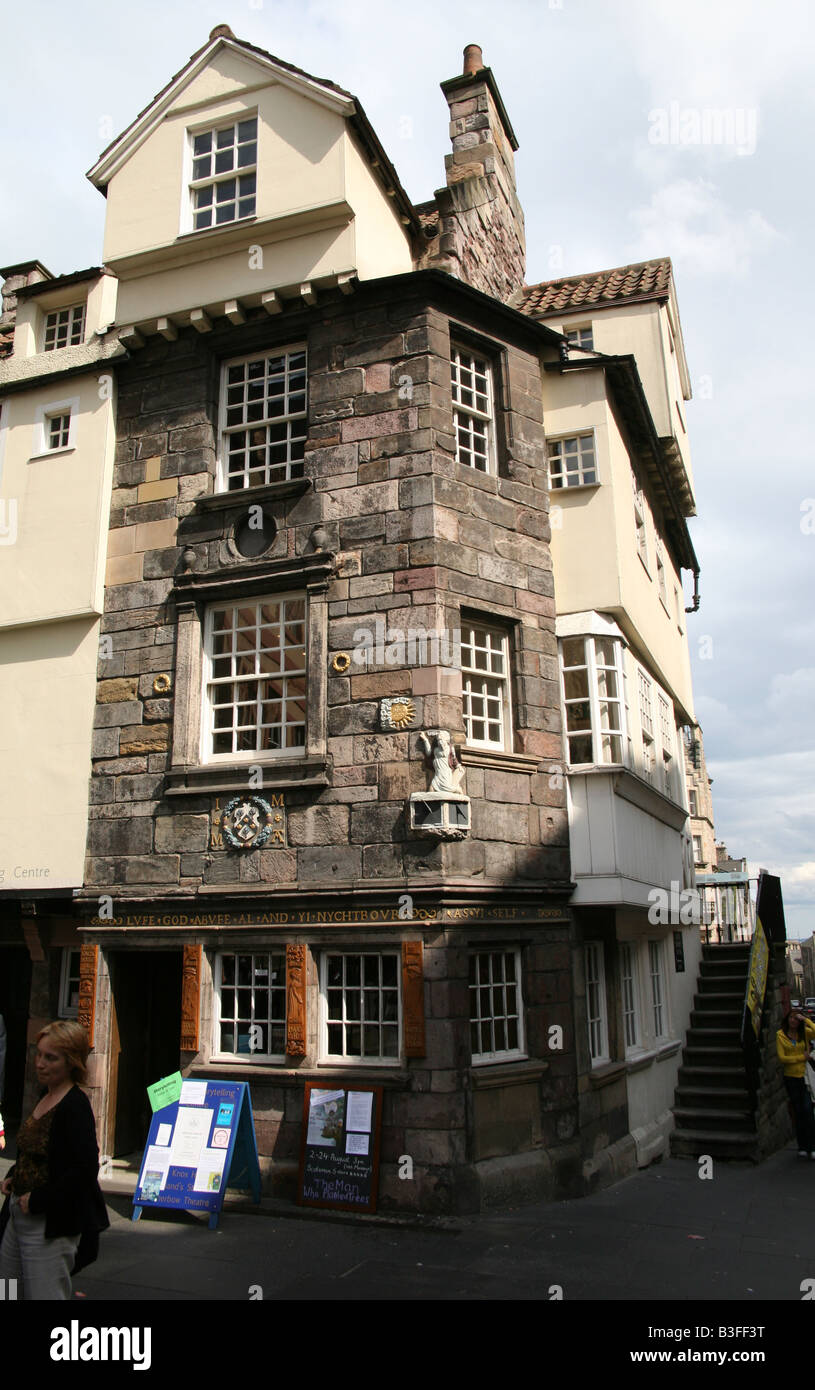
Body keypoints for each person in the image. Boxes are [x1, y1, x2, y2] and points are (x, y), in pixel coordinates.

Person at [0, 1021, 109, 1299]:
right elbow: (35, 1151)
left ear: (71, 1062)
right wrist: (15, 1175)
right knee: (7, 1291)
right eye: (39, 1054)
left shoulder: (75, 1105)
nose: (40, 1064)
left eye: (51, 1057)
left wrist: (39, 1199)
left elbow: (84, 1170)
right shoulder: (43, 1095)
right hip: (16, 1216)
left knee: (45, 1294)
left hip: (48, 1225)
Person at [776, 1004, 815, 1158]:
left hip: (804, 1078)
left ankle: (812, 1146)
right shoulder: (781, 1035)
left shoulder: (804, 1033)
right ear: (787, 1019)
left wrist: (806, 1019)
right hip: (791, 1078)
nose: (794, 1020)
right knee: (798, 1112)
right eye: (791, 1017)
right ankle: (802, 1146)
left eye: (796, 1018)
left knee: (807, 1110)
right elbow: (782, 1058)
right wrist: (802, 1057)